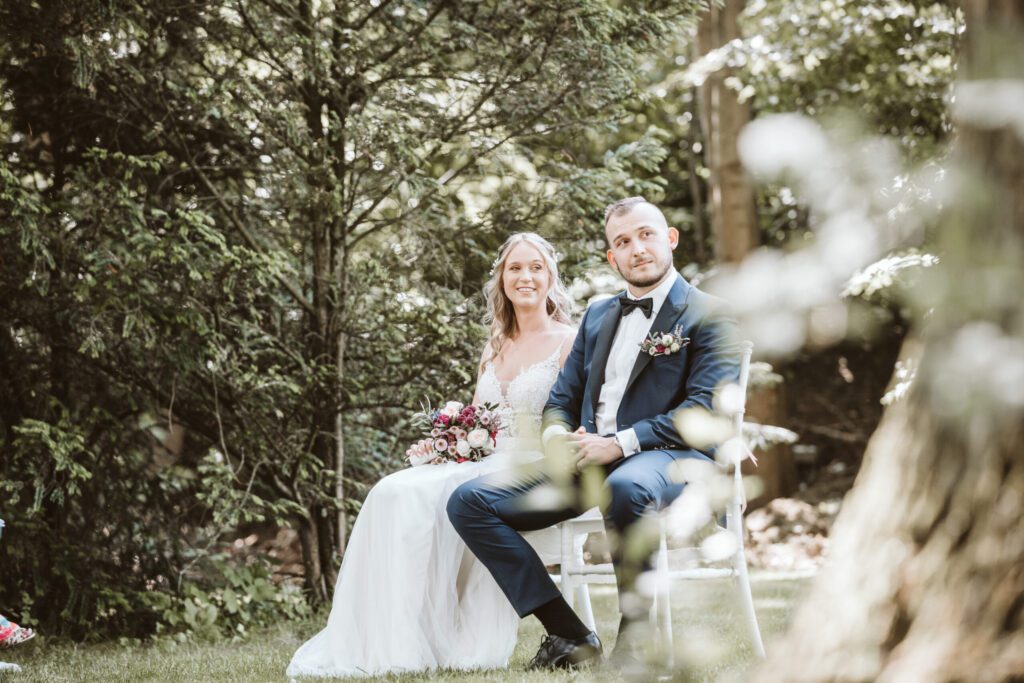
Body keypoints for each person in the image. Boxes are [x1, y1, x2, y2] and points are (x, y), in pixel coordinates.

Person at [447, 196, 740, 669]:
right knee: (469, 502)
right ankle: (569, 634)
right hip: (586, 461)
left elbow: (703, 409)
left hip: (669, 456)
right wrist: (556, 439)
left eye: (646, 235)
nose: (636, 249)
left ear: (670, 238)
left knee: (627, 485)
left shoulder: (710, 313)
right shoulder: (600, 315)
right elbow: (561, 399)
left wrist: (618, 443)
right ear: (612, 256)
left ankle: (637, 641)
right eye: (622, 242)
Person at [287, 233, 577, 677]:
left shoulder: (568, 342)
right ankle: (397, 636)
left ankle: (451, 633)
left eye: (536, 267)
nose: (525, 277)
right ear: (501, 278)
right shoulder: (494, 346)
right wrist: (446, 442)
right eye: (515, 268)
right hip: (480, 459)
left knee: (430, 497)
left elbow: (569, 415)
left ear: (551, 277)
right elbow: (480, 418)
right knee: (391, 492)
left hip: (529, 467)